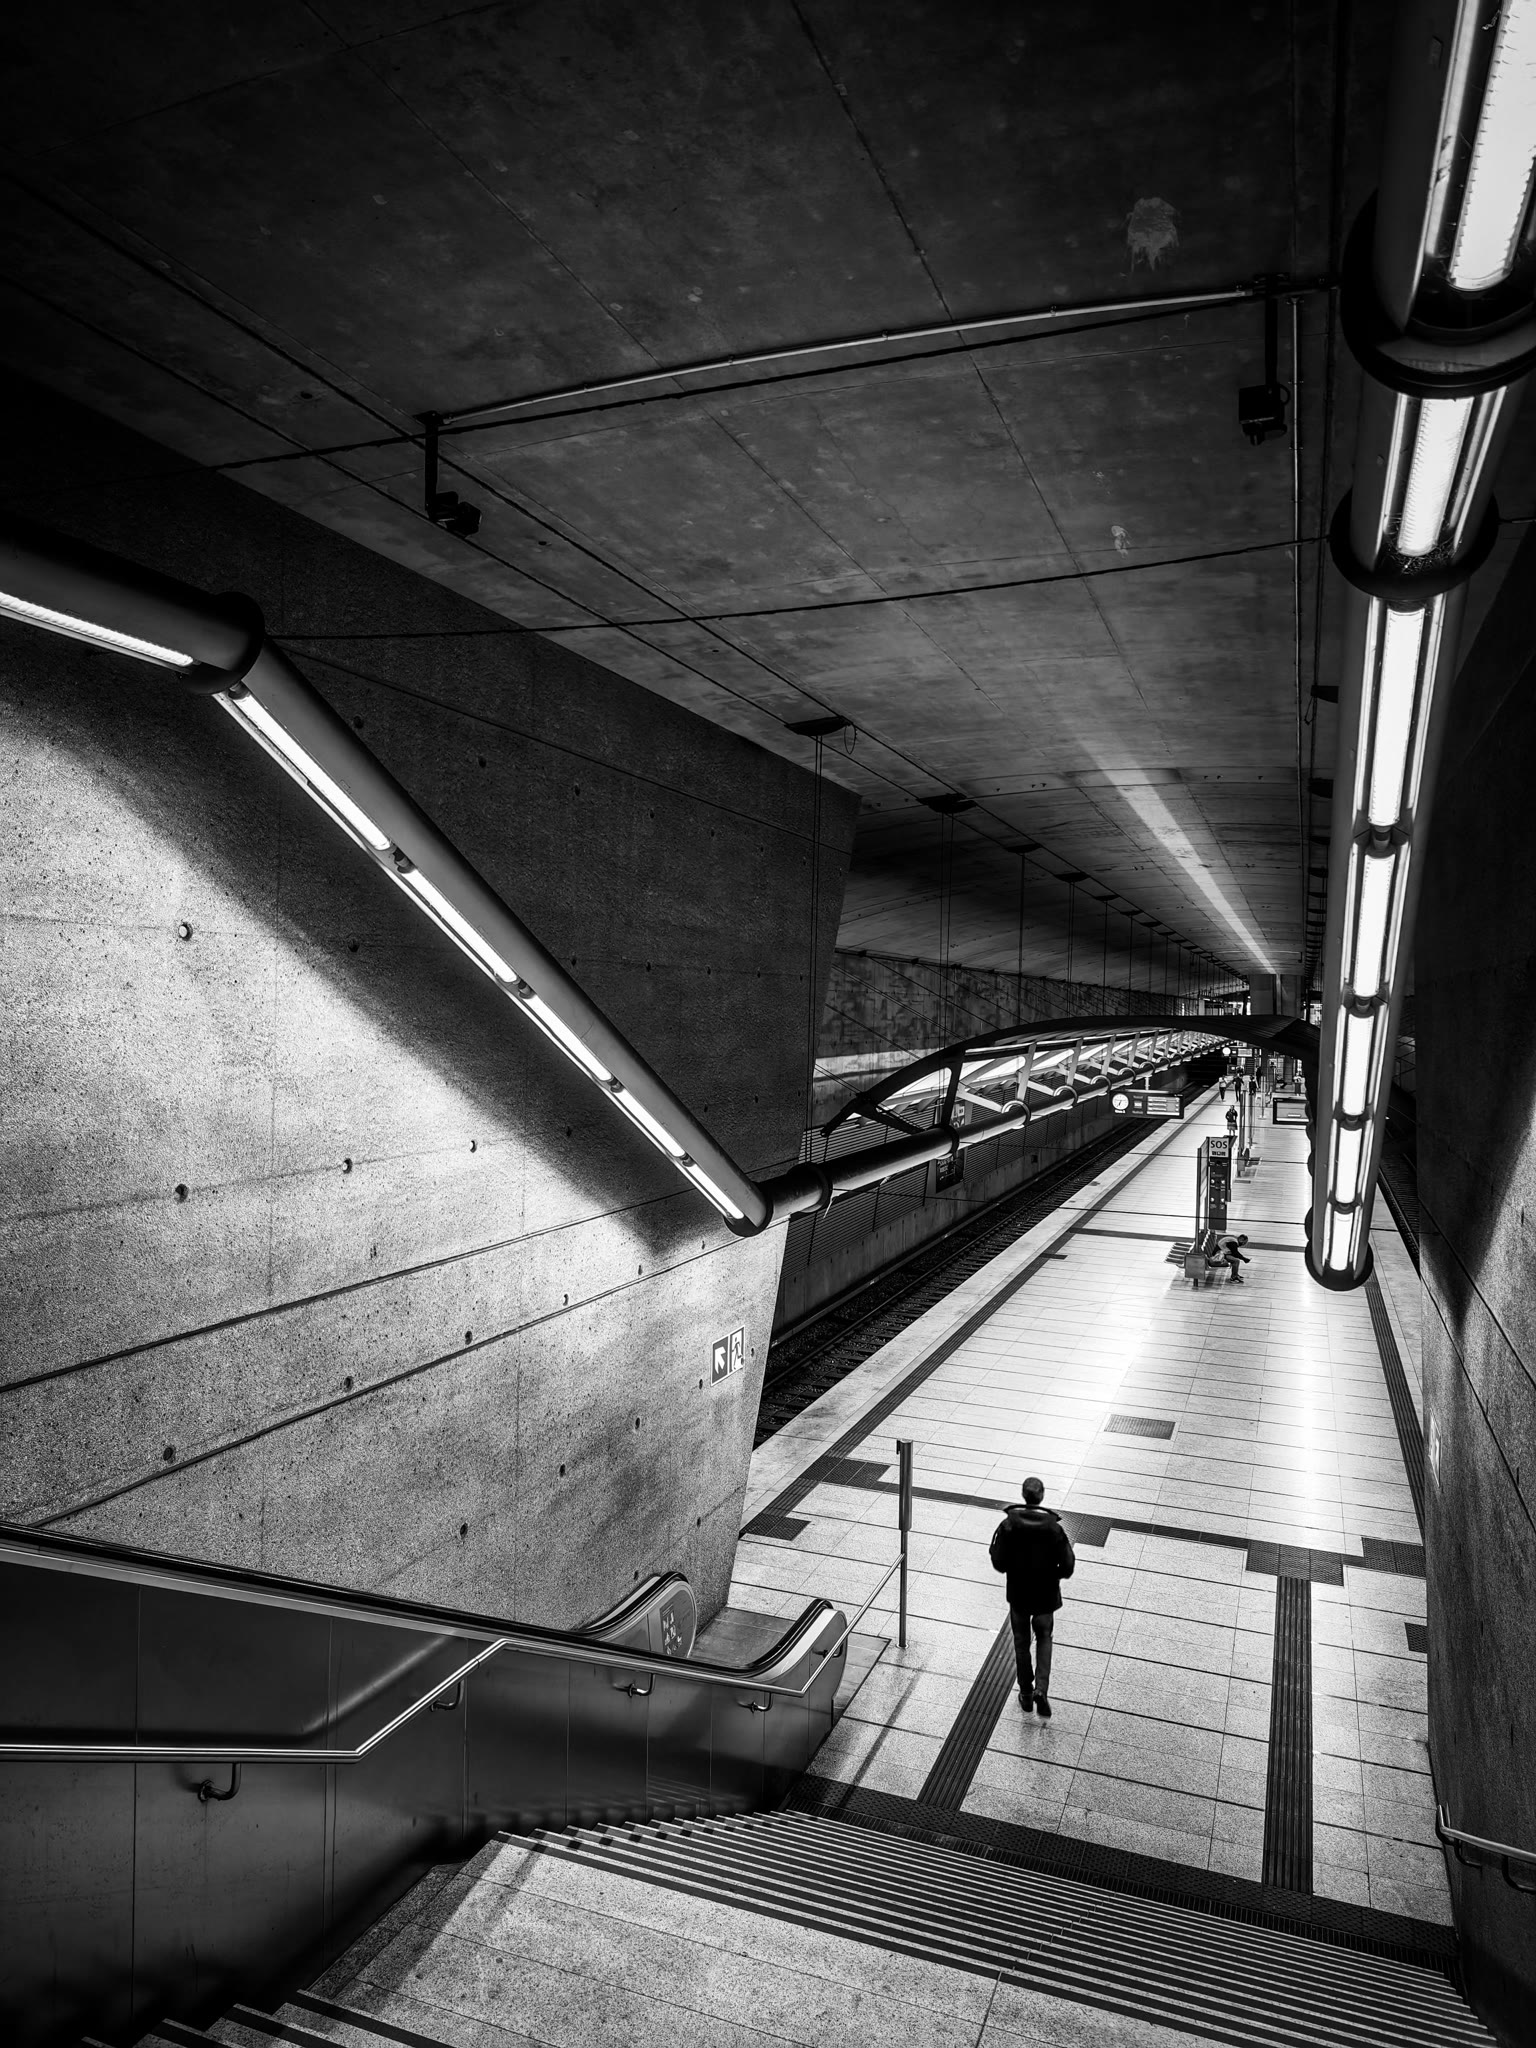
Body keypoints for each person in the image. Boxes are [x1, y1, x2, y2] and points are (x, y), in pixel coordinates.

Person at [989, 1476, 1075, 1718]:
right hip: (1046, 1595)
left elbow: (998, 1561)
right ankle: (1041, 1690)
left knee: (1021, 1642)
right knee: (1045, 1637)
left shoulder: (1008, 1525)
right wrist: (1054, 1576)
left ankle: (1026, 1693)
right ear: (1042, 1495)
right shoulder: (1054, 1528)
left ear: (1023, 1495)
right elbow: (1068, 1565)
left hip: (1018, 1594)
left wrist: (1013, 1568)